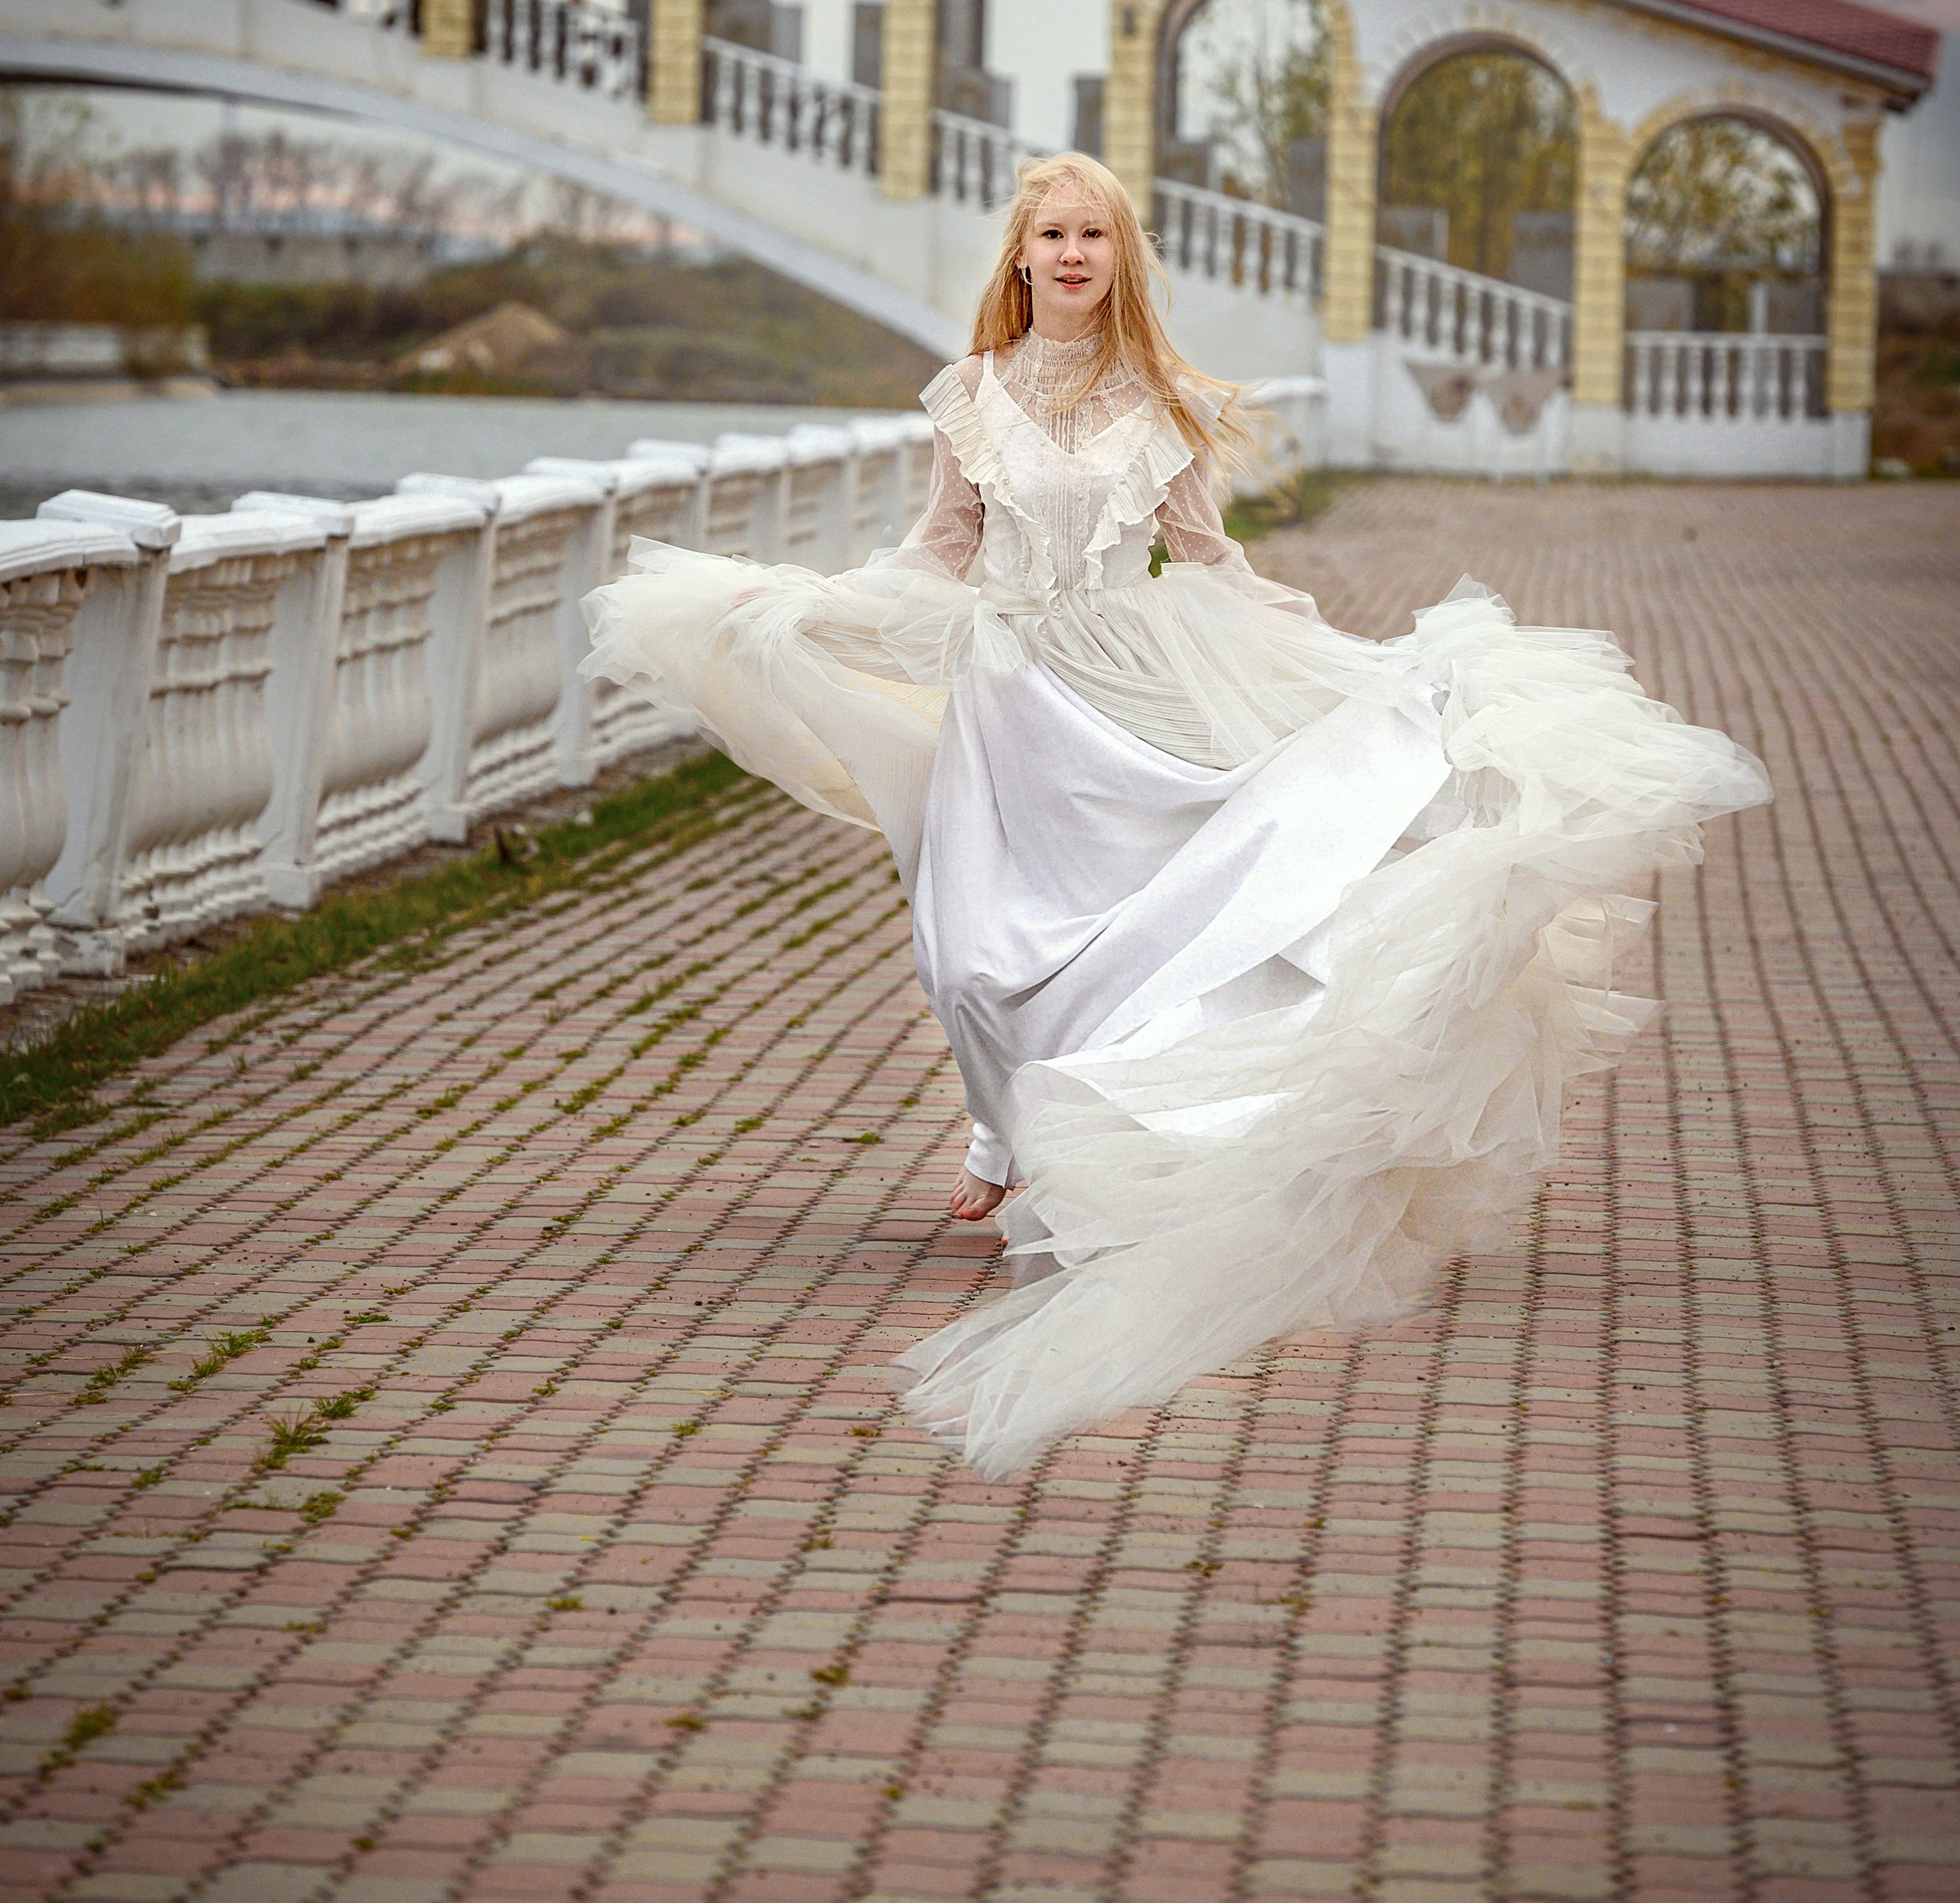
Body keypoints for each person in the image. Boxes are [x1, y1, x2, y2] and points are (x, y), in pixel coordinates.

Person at [583, 153, 1769, 1479]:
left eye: (1096, 233)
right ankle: (1006, 1126)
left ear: (1120, 256)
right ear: (1021, 257)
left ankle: (1066, 1151)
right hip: (1019, 706)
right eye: (1053, 234)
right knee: (973, 949)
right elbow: (941, 547)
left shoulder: (1157, 399)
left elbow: (1208, 555)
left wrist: (1338, 657)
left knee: (1172, 926)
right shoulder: (970, 396)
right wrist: (809, 603)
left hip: (1142, 693)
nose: (1074, 252)